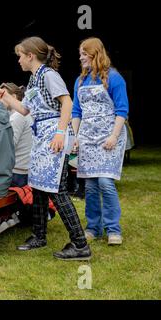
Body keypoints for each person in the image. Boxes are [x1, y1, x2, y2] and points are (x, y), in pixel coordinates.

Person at [0, 36, 91, 261]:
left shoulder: (48, 75)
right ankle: (39, 235)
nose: (18, 60)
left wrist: (60, 132)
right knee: (37, 187)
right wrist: (6, 97)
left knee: (57, 190)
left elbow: (67, 102)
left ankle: (80, 244)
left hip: (52, 134)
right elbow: (25, 110)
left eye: (20, 56)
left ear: (30, 56)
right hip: (41, 136)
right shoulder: (35, 79)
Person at [71, 37, 129, 246]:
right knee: (91, 185)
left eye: (83, 53)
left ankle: (113, 228)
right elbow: (76, 111)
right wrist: (75, 137)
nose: (81, 57)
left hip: (109, 138)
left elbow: (122, 110)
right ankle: (93, 227)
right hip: (88, 138)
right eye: (80, 54)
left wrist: (114, 136)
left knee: (105, 182)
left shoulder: (114, 78)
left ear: (94, 53)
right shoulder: (80, 81)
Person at [0, 83, 33, 187]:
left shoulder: (17, 117)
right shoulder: (26, 114)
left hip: (17, 173)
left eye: (1, 97)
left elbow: (9, 147)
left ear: (13, 97)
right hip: (25, 171)